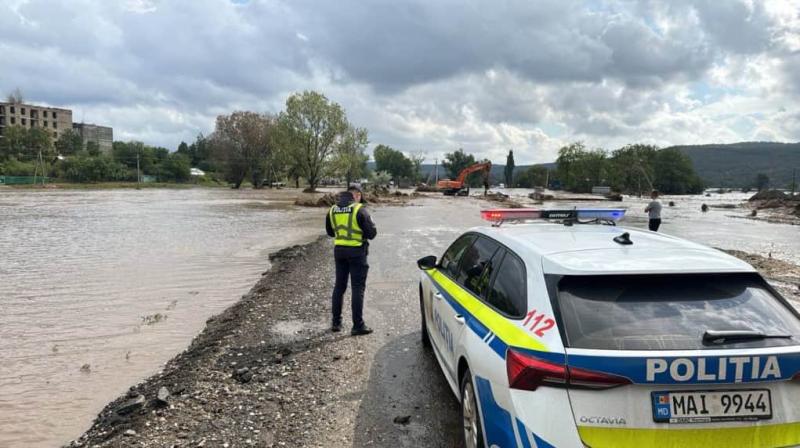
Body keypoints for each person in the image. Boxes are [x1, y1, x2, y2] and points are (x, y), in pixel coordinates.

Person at [325, 185, 377, 335]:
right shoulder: (359, 210)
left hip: (339, 252)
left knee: (339, 287)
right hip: (357, 253)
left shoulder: (332, 210)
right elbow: (372, 234)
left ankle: (336, 323)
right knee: (357, 288)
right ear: (357, 195)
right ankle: (357, 325)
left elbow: (329, 232)